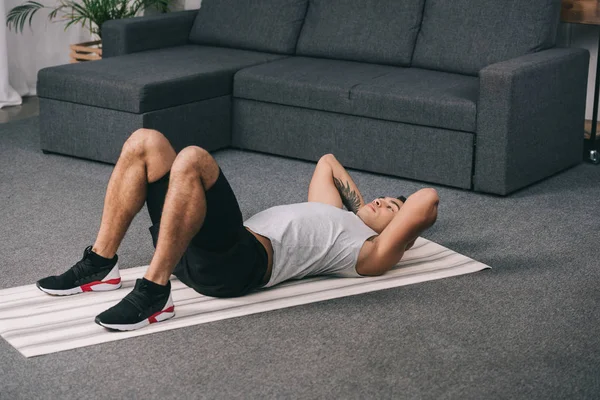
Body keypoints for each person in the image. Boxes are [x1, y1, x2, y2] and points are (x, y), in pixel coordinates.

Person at [36, 129, 439, 331]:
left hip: (237, 266)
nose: (383, 202)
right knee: (146, 141)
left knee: (194, 159)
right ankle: (100, 263)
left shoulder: (369, 253)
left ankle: (154, 292)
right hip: (192, 247)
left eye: (392, 209)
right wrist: (364, 205)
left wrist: (391, 227)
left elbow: (427, 199)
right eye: (385, 197)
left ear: (402, 234)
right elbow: (327, 162)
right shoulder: (331, 210)